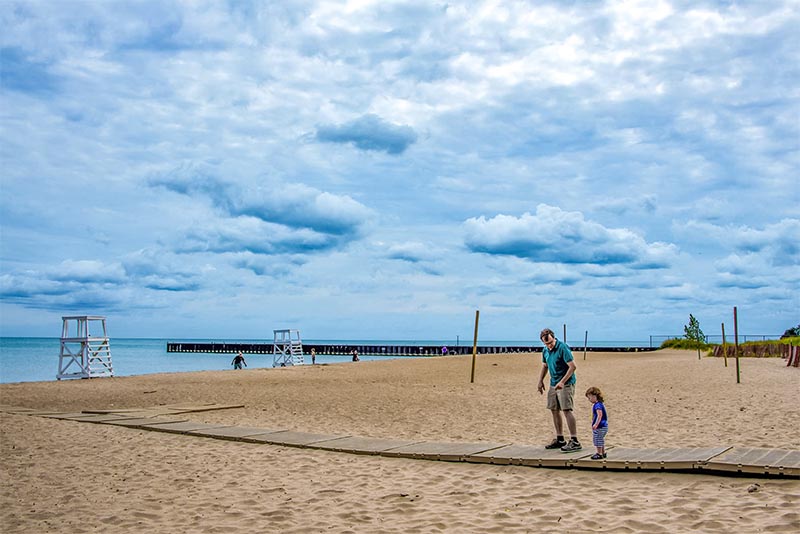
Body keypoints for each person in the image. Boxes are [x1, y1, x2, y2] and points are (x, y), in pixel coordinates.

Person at [536, 328, 581, 452]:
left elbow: (572, 367)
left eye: (550, 343)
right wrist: (540, 381)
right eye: (546, 344)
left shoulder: (563, 348)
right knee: (554, 409)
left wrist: (562, 382)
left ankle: (574, 440)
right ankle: (560, 438)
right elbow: (545, 366)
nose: (549, 346)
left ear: (554, 338)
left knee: (566, 410)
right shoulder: (545, 350)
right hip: (553, 383)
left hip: (566, 383)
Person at [585, 386, 608, 459]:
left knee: (597, 439)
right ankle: (603, 452)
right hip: (603, 425)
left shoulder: (597, 405)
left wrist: (596, 424)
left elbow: (599, 415)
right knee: (600, 439)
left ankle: (599, 453)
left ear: (595, 396)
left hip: (600, 426)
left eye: (589, 397)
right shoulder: (600, 404)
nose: (589, 400)